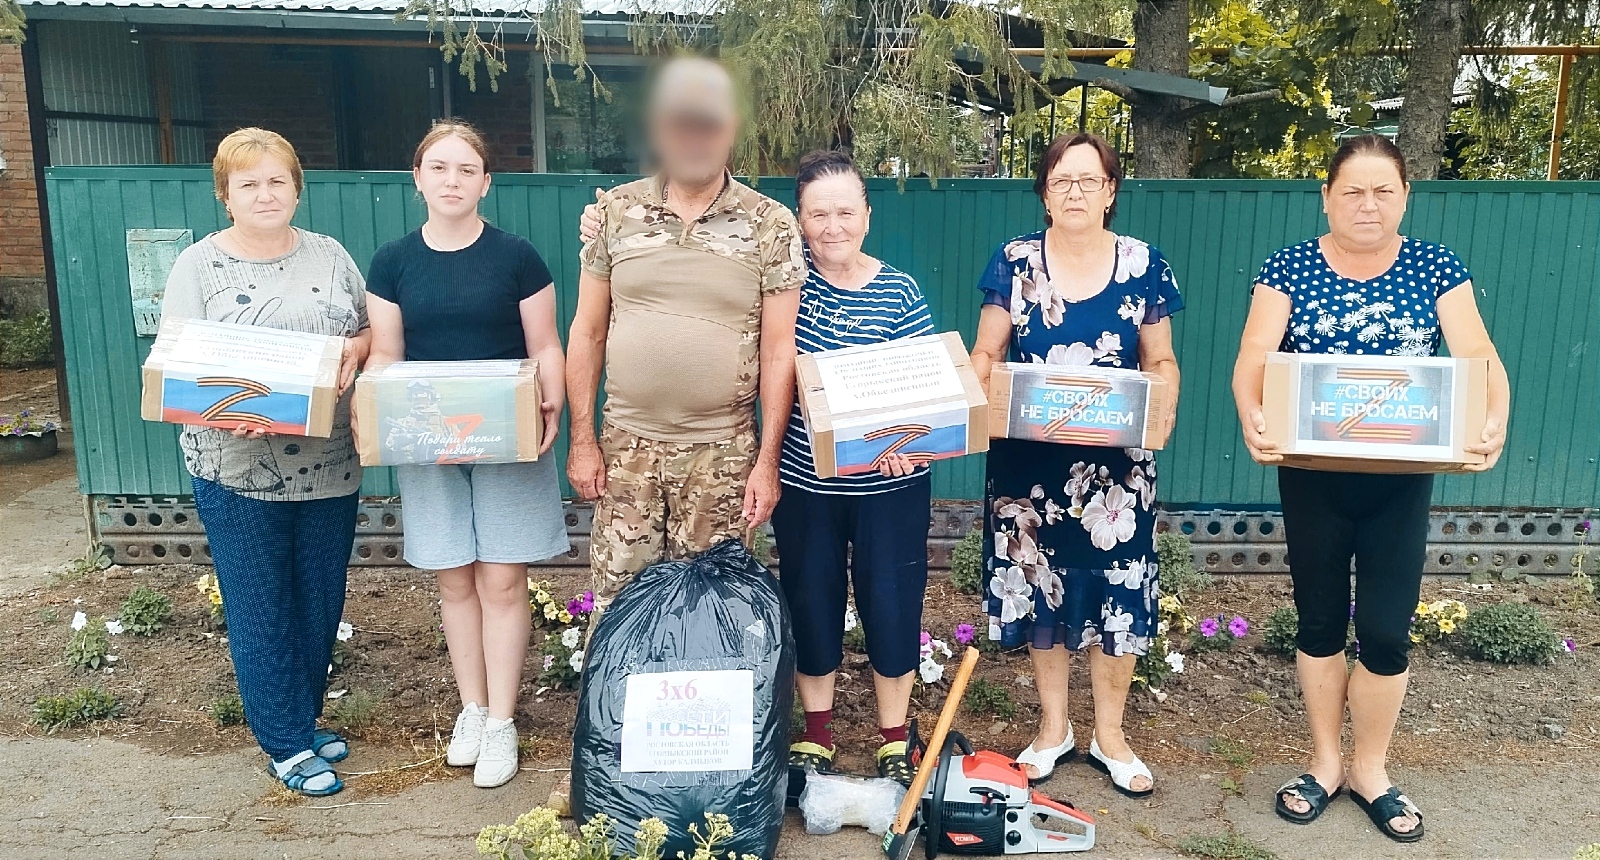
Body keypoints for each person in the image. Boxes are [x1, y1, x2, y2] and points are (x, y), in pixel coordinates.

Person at [1232, 134, 1509, 842]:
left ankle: (1370, 769)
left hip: (1401, 481)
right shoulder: (1288, 266)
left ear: (1405, 197)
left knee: (1386, 629)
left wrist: (1494, 418)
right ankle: (1326, 763)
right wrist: (1252, 412)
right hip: (1313, 478)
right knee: (1320, 621)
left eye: (1384, 190)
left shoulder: (1436, 267)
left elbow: (1478, 356)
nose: (1368, 204)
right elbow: (1254, 356)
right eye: (1352, 190)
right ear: (1326, 197)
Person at [159, 127, 370, 797]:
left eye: (277, 180)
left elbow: (367, 329)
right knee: (260, 603)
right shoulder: (198, 266)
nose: (265, 193)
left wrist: (357, 350)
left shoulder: (331, 256)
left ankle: (302, 719)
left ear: (297, 188)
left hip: (328, 461)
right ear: (225, 195)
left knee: (320, 598)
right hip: (236, 463)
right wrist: (221, 409)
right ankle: (283, 742)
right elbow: (174, 365)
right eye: (248, 183)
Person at [970, 132, 1182, 797]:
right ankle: (1053, 729)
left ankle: (1110, 737)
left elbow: (1160, 360)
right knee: (1043, 588)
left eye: (1090, 180)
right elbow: (987, 351)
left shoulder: (1144, 264)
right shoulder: (1014, 261)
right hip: (1027, 469)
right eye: (1062, 180)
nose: (1075, 192)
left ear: (1111, 191)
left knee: (1116, 590)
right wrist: (977, 391)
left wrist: (1164, 408)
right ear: (1044, 192)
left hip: (1116, 476)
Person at [364, 120, 569, 789]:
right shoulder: (392, 262)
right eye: (439, 168)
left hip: (505, 439)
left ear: (486, 183)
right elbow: (387, 355)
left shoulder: (518, 258)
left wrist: (551, 404)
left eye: (466, 170)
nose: (452, 181)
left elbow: (545, 345)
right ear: (417, 178)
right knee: (454, 579)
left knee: (502, 582)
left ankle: (503, 721)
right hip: (429, 443)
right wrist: (385, 416)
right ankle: (473, 710)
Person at [565, 56, 804, 600]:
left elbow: (778, 350)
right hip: (626, 450)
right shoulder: (616, 212)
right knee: (620, 606)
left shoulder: (770, 224)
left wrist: (767, 463)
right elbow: (587, 333)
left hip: (722, 454)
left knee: (713, 611)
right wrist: (582, 441)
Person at [762, 150, 935, 786]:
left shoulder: (901, 291)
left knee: (892, 599)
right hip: (806, 481)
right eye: (818, 214)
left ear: (867, 214)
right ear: (800, 220)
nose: (832, 226)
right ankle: (817, 734)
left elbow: (925, 389)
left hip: (891, 482)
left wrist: (913, 443)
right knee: (811, 596)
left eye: (844, 211)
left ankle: (893, 736)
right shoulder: (784, 288)